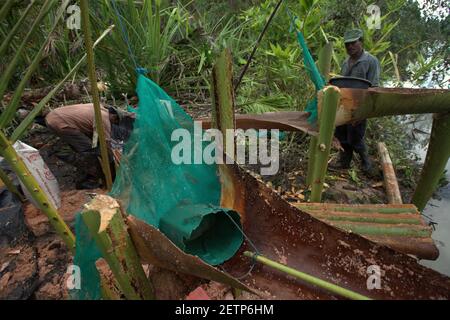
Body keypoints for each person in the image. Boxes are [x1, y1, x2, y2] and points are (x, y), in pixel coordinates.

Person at [45, 103, 134, 189]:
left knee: (88, 146)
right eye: (115, 122)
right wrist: (111, 160)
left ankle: (94, 175)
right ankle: (84, 181)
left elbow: (95, 135)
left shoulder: (100, 107)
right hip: (60, 123)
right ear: (114, 116)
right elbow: (105, 145)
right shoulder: (104, 119)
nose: (113, 124)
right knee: (89, 151)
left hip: (52, 117)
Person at [332, 28, 381, 173]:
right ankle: (344, 163)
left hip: (360, 105)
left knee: (356, 137)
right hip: (344, 104)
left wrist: (363, 110)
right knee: (342, 135)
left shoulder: (370, 61)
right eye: (347, 45)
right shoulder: (346, 62)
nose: (350, 47)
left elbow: (374, 86)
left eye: (353, 43)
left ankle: (367, 164)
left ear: (361, 42)